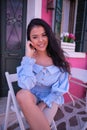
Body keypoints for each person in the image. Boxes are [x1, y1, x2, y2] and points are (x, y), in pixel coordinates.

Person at [16, 18, 70, 130]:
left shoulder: (58, 58)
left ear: (48, 36)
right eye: (35, 37)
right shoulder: (28, 59)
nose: (40, 40)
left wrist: (44, 103)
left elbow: (60, 88)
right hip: (33, 96)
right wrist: (29, 58)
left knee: (39, 125)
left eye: (43, 35)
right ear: (29, 40)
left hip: (51, 97)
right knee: (21, 94)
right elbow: (26, 86)